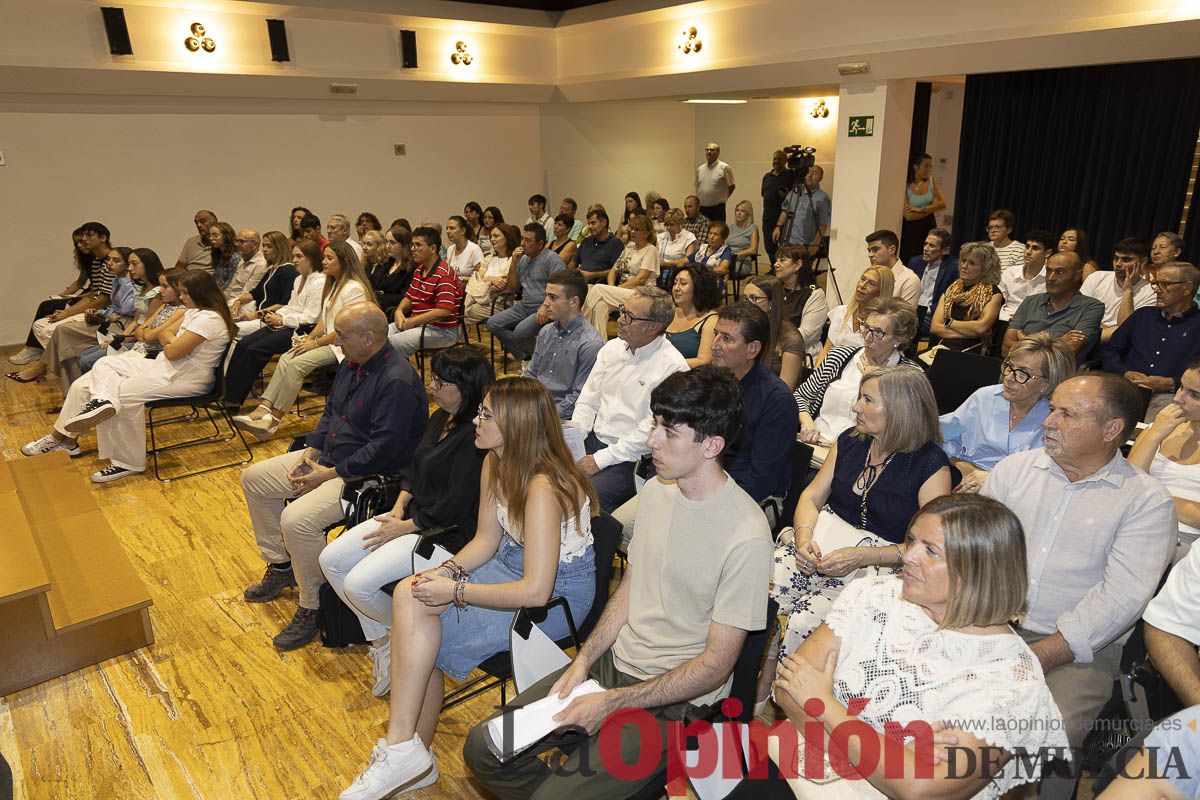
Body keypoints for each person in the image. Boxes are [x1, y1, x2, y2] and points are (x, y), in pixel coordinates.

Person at [463, 367, 772, 800]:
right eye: (654, 425)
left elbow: (716, 667)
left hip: (673, 700)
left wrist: (614, 702)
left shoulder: (747, 536)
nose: (651, 441)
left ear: (712, 446)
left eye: (669, 432)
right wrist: (583, 660)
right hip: (612, 667)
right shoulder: (661, 491)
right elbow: (630, 586)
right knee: (484, 749)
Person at [338, 377, 598, 800]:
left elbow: (536, 591)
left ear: (515, 426)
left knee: (422, 624)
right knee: (412, 592)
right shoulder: (496, 459)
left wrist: (455, 593)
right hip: (510, 563)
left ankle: (404, 752)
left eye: (486, 414)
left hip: (556, 598)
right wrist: (447, 572)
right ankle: (407, 752)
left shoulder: (543, 487)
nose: (475, 420)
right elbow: (486, 541)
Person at [735, 495, 1068, 800]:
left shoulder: (1012, 681)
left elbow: (921, 788)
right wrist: (890, 761)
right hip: (789, 773)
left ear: (977, 572)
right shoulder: (875, 595)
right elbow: (787, 691)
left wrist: (823, 702)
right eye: (911, 541)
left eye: (930, 550)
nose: (908, 556)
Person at [982, 373, 1177, 800]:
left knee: (1051, 733)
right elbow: (976, 557)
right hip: (991, 625)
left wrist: (1044, 652)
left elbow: (1121, 598)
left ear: (1111, 429)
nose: (1049, 421)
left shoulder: (1146, 501)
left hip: (1078, 648)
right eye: (1052, 408)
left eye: (1066, 413)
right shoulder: (1014, 472)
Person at [240, 303, 427, 651]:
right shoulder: (352, 364)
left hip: (367, 475)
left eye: (342, 335)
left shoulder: (396, 380)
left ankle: (312, 606)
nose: (336, 342)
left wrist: (327, 473)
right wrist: (311, 451)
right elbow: (330, 413)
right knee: (255, 478)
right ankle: (281, 564)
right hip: (330, 459)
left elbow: (384, 449)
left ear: (369, 337)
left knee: (296, 520)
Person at [319, 345, 492, 697]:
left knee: (358, 585)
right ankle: (386, 639)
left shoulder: (476, 437)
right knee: (330, 560)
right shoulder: (440, 417)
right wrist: (398, 508)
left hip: (444, 534)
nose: (432, 386)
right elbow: (412, 470)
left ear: (465, 387)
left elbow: (456, 505)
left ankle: (400, 642)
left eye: (441, 381)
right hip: (411, 518)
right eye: (433, 378)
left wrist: (407, 526)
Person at [775, 364, 951, 658]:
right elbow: (811, 497)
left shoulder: (931, 466)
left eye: (867, 400)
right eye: (859, 397)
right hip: (820, 544)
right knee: (763, 594)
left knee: (806, 622)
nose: (856, 407)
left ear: (900, 409)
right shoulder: (850, 441)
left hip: (876, 566)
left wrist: (862, 557)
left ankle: (787, 694)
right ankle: (753, 689)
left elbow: (933, 546)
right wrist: (803, 538)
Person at [22, 271, 235, 483]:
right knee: (97, 371)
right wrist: (171, 340)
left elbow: (169, 348)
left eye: (185, 293)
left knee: (121, 395)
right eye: (180, 292)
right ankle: (65, 439)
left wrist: (170, 340)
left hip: (186, 380)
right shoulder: (193, 312)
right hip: (163, 367)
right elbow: (163, 338)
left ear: (200, 293)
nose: (181, 297)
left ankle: (127, 462)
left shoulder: (210, 319)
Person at [232, 241, 371, 438]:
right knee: (287, 357)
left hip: (343, 346)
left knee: (297, 364)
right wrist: (309, 337)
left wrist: (315, 343)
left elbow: (346, 329)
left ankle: (273, 421)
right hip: (328, 340)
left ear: (344, 261)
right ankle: (264, 408)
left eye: (329, 258)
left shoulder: (354, 288)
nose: (324, 261)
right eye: (324, 257)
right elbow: (325, 319)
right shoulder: (334, 284)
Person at [571, 286, 687, 512]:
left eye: (629, 316)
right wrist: (575, 439)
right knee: (543, 475)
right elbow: (588, 400)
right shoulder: (612, 348)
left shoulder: (672, 367)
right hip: (594, 439)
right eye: (622, 311)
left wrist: (599, 460)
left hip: (631, 458)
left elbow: (650, 430)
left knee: (586, 499)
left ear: (653, 327)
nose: (620, 319)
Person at [942, 333, 1075, 492]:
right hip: (964, 484)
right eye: (1009, 367)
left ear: (1046, 384)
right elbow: (944, 436)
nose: (1009, 378)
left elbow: (1052, 478)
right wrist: (961, 466)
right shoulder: (984, 399)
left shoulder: (1055, 420)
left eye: (1022, 373)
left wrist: (993, 480)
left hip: (1018, 495)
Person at [797, 298, 919, 446]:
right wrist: (807, 423)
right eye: (866, 328)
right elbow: (801, 396)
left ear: (900, 338)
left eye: (878, 333)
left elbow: (906, 428)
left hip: (862, 458)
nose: (867, 338)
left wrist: (878, 383)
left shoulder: (910, 375)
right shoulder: (839, 356)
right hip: (816, 444)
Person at [710, 303, 797, 506]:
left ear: (752, 349)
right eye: (715, 334)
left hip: (751, 499)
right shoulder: (709, 381)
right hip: (702, 482)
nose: (714, 345)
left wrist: (707, 502)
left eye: (726, 338)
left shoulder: (777, 400)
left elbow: (761, 480)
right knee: (626, 523)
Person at [222, 240, 327, 409]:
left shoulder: (320, 282)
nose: (295, 260)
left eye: (299, 256)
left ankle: (233, 399)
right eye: (293, 256)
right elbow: (291, 306)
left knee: (255, 349)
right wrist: (277, 315)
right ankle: (225, 391)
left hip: (302, 331)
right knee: (243, 344)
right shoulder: (299, 279)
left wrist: (282, 320)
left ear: (312, 258)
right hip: (285, 324)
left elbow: (312, 317)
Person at [15, 245, 137, 386]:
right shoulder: (116, 280)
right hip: (110, 320)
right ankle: (64, 389)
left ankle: (42, 368)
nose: (109, 264)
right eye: (109, 260)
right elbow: (111, 305)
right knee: (60, 334)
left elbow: (127, 310)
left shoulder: (132, 285)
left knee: (62, 335)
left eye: (116, 261)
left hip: (121, 326)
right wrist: (99, 312)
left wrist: (124, 284)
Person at [1102, 262, 1200, 419]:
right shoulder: (1142, 316)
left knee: (1157, 427)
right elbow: (1110, 350)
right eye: (1155, 284)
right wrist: (1124, 372)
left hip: (1172, 396)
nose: (1157, 290)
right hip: (1126, 388)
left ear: (1187, 288)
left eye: (1164, 284)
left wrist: (1172, 383)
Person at [1129, 357, 1200, 564]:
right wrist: (1154, 435)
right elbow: (1130, 482)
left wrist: (1148, 496)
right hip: (1136, 523)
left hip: (1185, 540)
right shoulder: (1162, 426)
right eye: (1181, 388)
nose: (1179, 399)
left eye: (1194, 394)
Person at [9, 226, 102, 367]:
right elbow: (80, 281)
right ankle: (37, 349)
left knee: (46, 306)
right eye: (77, 242)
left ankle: (35, 350)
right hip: (88, 295)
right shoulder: (91, 261)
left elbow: (98, 293)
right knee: (51, 302)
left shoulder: (103, 261)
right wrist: (63, 295)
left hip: (91, 299)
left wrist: (70, 304)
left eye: (84, 241)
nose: (81, 245)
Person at [525, 269, 604, 419]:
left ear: (574, 302)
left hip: (561, 417)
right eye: (546, 295)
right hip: (534, 407)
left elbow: (579, 397)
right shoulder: (546, 332)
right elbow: (531, 373)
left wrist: (544, 416)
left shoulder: (590, 344)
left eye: (553, 297)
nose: (545, 303)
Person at [1002, 251, 1104, 364]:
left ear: (1077, 275)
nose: (1050, 278)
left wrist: (1025, 340)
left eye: (1059, 272)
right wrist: (1059, 342)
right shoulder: (1030, 301)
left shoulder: (1092, 307)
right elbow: (1006, 348)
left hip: (1059, 378)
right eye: (1048, 271)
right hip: (1015, 370)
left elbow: (1068, 353)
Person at [486, 223, 563, 362]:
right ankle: (528, 357)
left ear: (540, 244)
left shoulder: (552, 259)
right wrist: (514, 263)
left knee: (521, 332)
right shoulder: (522, 259)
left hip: (546, 307)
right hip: (525, 306)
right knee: (493, 323)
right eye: (522, 239)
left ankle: (542, 360)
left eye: (528, 241)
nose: (522, 243)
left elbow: (560, 287)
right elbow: (512, 288)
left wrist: (545, 306)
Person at [389, 227, 465, 359]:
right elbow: (409, 297)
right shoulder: (419, 269)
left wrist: (413, 322)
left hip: (443, 331)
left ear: (433, 249)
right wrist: (399, 311)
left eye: (418, 245)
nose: (413, 249)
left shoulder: (443, 274)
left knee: (394, 343)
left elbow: (444, 310)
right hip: (421, 324)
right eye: (412, 245)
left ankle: (399, 377)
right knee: (380, 335)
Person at [582, 214, 661, 338]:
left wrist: (616, 289)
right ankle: (598, 345)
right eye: (632, 228)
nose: (633, 231)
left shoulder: (651, 250)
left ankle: (582, 332)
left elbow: (641, 279)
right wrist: (612, 287)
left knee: (597, 289)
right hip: (623, 292)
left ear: (646, 233)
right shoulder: (629, 247)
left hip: (642, 294)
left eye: (637, 229)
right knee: (599, 306)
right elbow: (613, 271)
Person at [928, 240, 1004, 354]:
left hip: (972, 350)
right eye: (963, 261)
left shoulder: (993, 294)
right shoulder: (951, 290)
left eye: (972, 263)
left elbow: (980, 328)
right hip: (942, 346)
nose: (964, 266)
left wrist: (949, 323)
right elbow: (935, 327)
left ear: (986, 268)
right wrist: (970, 332)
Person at [814, 265, 894, 364]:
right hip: (831, 372)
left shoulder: (883, 325)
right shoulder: (841, 312)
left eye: (871, 283)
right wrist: (815, 375)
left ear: (882, 291)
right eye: (862, 279)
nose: (862, 285)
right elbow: (826, 351)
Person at [1082, 237, 1157, 342]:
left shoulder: (1151, 292)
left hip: (1117, 346)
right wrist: (1107, 330)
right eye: (1116, 258)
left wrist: (1127, 291)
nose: (1118, 264)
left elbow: (1126, 331)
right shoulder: (1097, 277)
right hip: (1085, 337)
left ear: (1143, 261)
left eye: (1126, 259)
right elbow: (1079, 315)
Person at [744, 275, 806, 390]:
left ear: (772, 303)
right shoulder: (748, 328)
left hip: (774, 402)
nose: (747, 304)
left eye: (754, 298)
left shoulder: (791, 339)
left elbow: (784, 391)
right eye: (745, 298)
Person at [772, 244, 829, 360]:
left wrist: (774, 343)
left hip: (799, 353)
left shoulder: (815, 294)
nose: (776, 264)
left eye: (782, 260)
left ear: (798, 265)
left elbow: (806, 333)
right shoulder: (773, 288)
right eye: (776, 260)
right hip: (771, 349)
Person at [230, 230, 296, 324]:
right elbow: (255, 293)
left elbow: (284, 303)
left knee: (232, 332)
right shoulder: (271, 269)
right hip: (259, 315)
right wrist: (238, 301)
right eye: (264, 246)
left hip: (270, 319)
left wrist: (257, 314)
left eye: (269, 246)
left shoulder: (288, 271)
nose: (264, 249)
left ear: (280, 248)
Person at [664, 265, 721, 367]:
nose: (676, 288)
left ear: (699, 287)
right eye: (675, 283)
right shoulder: (668, 312)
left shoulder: (711, 320)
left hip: (688, 378)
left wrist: (667, 366)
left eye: (683, 283)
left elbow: (704, 361)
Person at [464, 224, 519, 325]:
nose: (492, 239)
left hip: (499, 303)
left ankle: (458, 338)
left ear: (507, 237)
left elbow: (503, 285)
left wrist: (485, 282)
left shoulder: (512, 260)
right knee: (461, 308)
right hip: (480, 299)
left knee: (465, 312)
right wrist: (492, 280)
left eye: (496, 236)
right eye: (491, 236)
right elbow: (476, 280)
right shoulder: (488, 258)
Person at [908, 226, 958, 336]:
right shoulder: (915, 262)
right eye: (925, 244)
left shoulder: (953, 267)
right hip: (912, 310)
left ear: (944, 250)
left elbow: (952, 297)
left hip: (932, 314)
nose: (926, 248)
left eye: (931, 246)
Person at [998, 229, 1054, 325]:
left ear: (1047, 253)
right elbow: (998, 301)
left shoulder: (1051, 278)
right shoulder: (1009, 273)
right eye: (1027, 246)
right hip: (1005, 321)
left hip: (1035, 324)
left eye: (1035, 248)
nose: (1028, 252)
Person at [899, 152, 946, 263]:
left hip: (928, 224)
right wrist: (931, 209)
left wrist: (921, 209)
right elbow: (908, 216)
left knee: (929, 254)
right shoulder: (906, 184)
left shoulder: (931, 181)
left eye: (931, 166)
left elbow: (943, 203)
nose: (929, 169)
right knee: (911, 256)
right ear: (916, 167)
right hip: (912, 228)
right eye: (926, 166)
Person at [774, 165, 830, 257]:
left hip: (804, 245)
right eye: (809, 172)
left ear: (820, 178)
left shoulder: (822, 198)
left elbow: (823, 223)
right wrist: (778, 226)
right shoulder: (794, 191)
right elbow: (785, 210)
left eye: (815, 173)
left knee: (802, 270)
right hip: (787, 241)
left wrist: (815, 243)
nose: (810, 175)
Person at [865, 229, 920, 307]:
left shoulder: (910, 279)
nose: (870, 255)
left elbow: (904, 317)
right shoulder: (871, 275)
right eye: (869, 250)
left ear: (892, 250)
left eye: (875, 250)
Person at [761, 150, 796, 265]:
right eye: (775, 158)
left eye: (780, 159)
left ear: (785, 161)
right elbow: (763, 194)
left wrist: (786, 196)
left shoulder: (791, 176)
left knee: (783, 247)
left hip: (784, 219)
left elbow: (795, 197)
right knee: (769, 246)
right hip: (768, 218)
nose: (776, 161)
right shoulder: (767, 177)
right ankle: (774, 267)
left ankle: (782, 268)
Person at [370, 225, 414, 316]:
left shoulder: (412, 268)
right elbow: (372, 284)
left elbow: (404, 297)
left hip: (394, 313)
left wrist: (378, 298)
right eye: (386, 242)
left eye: (392, 243)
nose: (387, 246)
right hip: (376, 308)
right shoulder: (385, 262)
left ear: (404, 245)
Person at [574, 208, 624, 283]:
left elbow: (617, 272)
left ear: (604, 222)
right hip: (580, 283)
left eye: (593, 223)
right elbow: (573, 263)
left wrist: (591, 275)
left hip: (600, 285)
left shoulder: (615, 243)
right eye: (588, 224)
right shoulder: (586, 241)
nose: (590, 226)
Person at [655, 207, 699, 290]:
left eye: (671, 225)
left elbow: (688, 261)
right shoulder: (661, 237)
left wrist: (666, 264)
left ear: (680, 223)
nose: (668, 228)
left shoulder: (689, 237)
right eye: (666, 224)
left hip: (677, 273)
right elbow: (656, 256)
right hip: (659, 273)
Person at [224, 229, 268, 304]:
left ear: (255, 245)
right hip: (230, 301)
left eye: (241, 241)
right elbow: (230, 288)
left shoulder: (261, 264)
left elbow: (246, 293)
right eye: (236, 241)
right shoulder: (242, 260)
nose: (237, 244)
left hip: (241, 304)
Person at [695, 141, 736, 221]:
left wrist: (723, 198)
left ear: (718, 152)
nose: (709, 152)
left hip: (717, 209)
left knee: (718, 230)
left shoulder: (724, 167)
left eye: (712, 150)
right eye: (707, 150)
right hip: (702, 208)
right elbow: (698, 186)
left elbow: (732, 186)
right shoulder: (700, 169)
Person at [726, 199, 760, 276]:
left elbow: (753, 250)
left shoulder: (753, 228)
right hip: (727, 259)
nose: (739, 213)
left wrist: (736, 255)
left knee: (723, 268)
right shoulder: (730, 228)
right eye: (737, 210)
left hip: (742, 262)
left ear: (748, 214)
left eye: (742, 211)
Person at [445, 215, 484, 281]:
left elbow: (480, 277)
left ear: (463, 231)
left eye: (452, 228)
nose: (448, 231)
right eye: (447, 228)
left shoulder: (474, 249)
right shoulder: (450, 249)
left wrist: (462, 278)